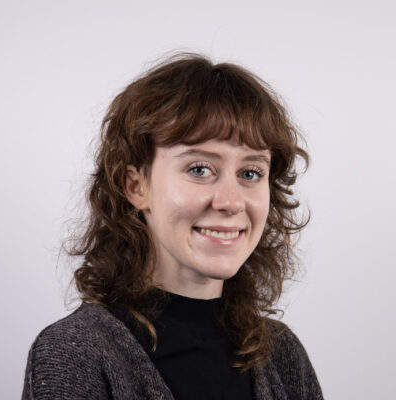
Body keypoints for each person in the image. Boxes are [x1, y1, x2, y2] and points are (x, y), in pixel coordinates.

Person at [21, 52, 324, 399]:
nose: (231, 201)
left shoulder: (283, 354)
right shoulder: (76, 354)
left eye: (250, 173)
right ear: (136, 186)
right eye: (199, 169)